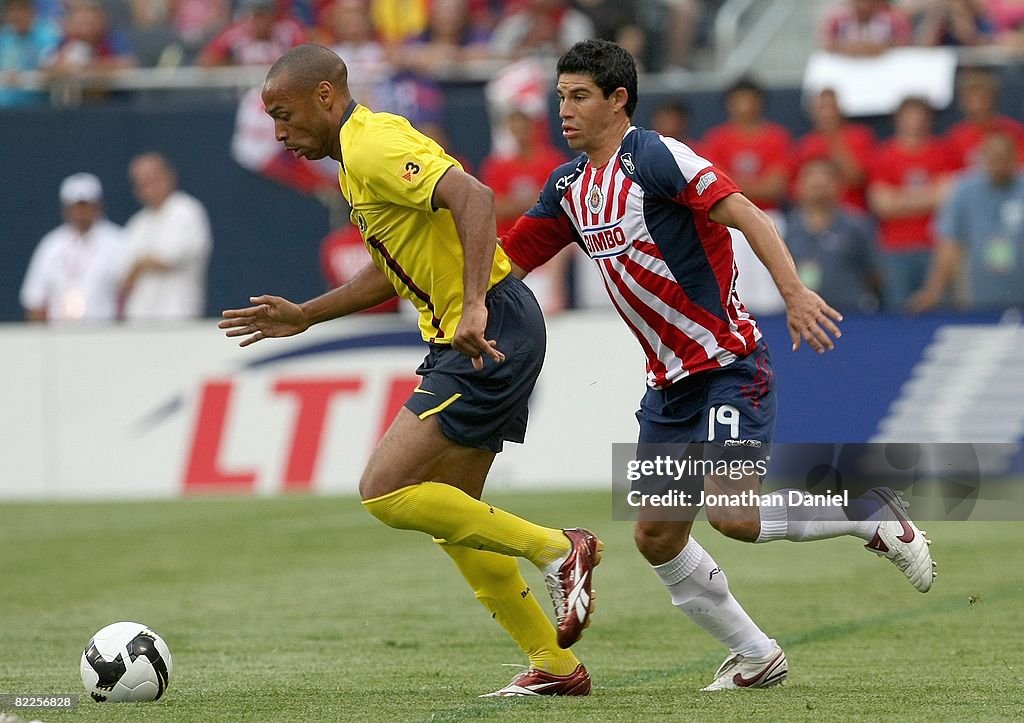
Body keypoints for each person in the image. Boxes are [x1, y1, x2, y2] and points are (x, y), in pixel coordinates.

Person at [501, 39, 936, 691]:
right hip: (668, 389)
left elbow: (746, 211)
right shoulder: (567, 190)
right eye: (560, 96)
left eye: (580, 96)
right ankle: (758, 654)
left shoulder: (654, 156)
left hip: (730, 363)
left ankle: (869, 514)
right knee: (655, 534)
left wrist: (792, 291)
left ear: (619, 100)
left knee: (734, 514)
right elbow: (504, 264)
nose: (564, 110)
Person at [218, 44, 602, 698]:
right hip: (477, 329)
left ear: (327, 98)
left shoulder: (371, 145)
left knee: (386, 488)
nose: (279, 134)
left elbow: (475, 198)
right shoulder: (354, 164)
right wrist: (308, 315)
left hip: (485, 329)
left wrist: (475, 304)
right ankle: (555, 665)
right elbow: (389, 268)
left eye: (284, 114)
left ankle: (558, 549)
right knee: (452, 514)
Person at [909, 131, 1024, 313]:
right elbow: (948, 243)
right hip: (979, 298)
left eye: (1004, 156)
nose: (999, 163)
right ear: (983, 156)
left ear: (1015, 156)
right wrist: (933, 290)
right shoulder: (964, 190)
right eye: (993, 156)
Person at [867, 96, 956, 309]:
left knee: (940, 308)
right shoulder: (884, 155)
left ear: (929, 119)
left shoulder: (943, 152)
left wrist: (900, 197)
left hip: (936, 245)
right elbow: (882, 205)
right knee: (898, 312)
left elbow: (949, 197)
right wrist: (929, 196)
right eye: (910, 115)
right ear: (898, 119)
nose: (915, 121)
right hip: (895, 248)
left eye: (920, 115)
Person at [20, 172, 125, 322]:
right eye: (75, 207)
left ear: (98, 206)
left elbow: (127, 295)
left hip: (104, 335)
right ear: (65, 209)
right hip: (58, 337)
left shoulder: (118, 242)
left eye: (86, 206)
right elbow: (34, 300)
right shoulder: (51, 245)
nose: (81, 213)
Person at [120, 152, 212, 320]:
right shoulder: (137, 223)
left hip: (177, 316)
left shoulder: (186, 210)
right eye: (140, 181)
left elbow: (168, 258)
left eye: (152, 177)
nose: (146, 185)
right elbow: (123, 276)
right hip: (139, 319)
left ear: (169, 176)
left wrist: (140, 264)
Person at [786, 158, 883, 314]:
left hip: (851, 312)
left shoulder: (857, 225)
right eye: (812, 181)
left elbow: (874, 272)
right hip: (801, 313)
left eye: (825, 181)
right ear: (799, 186)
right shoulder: (786, 227)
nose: (819, 185)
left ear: (839, 187)